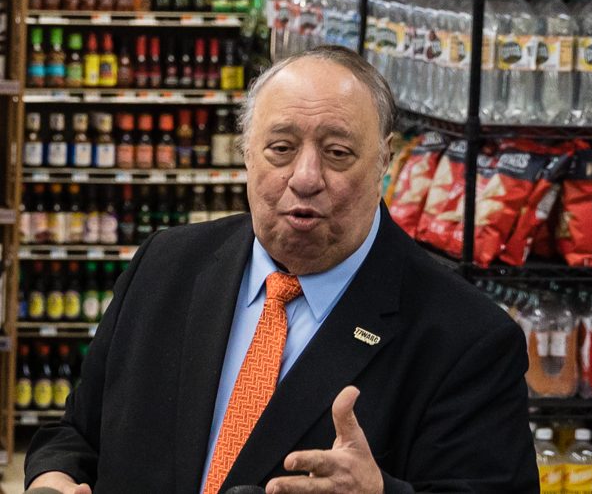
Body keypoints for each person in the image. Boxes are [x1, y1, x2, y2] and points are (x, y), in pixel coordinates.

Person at [24, 47, 538, 493]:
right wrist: (53, 478)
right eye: (281, 149)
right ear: (247, 155)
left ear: (385, 161)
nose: (306, 177)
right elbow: (78, 432)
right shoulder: (166, 265)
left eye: (337, 154)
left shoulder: (467, 338)